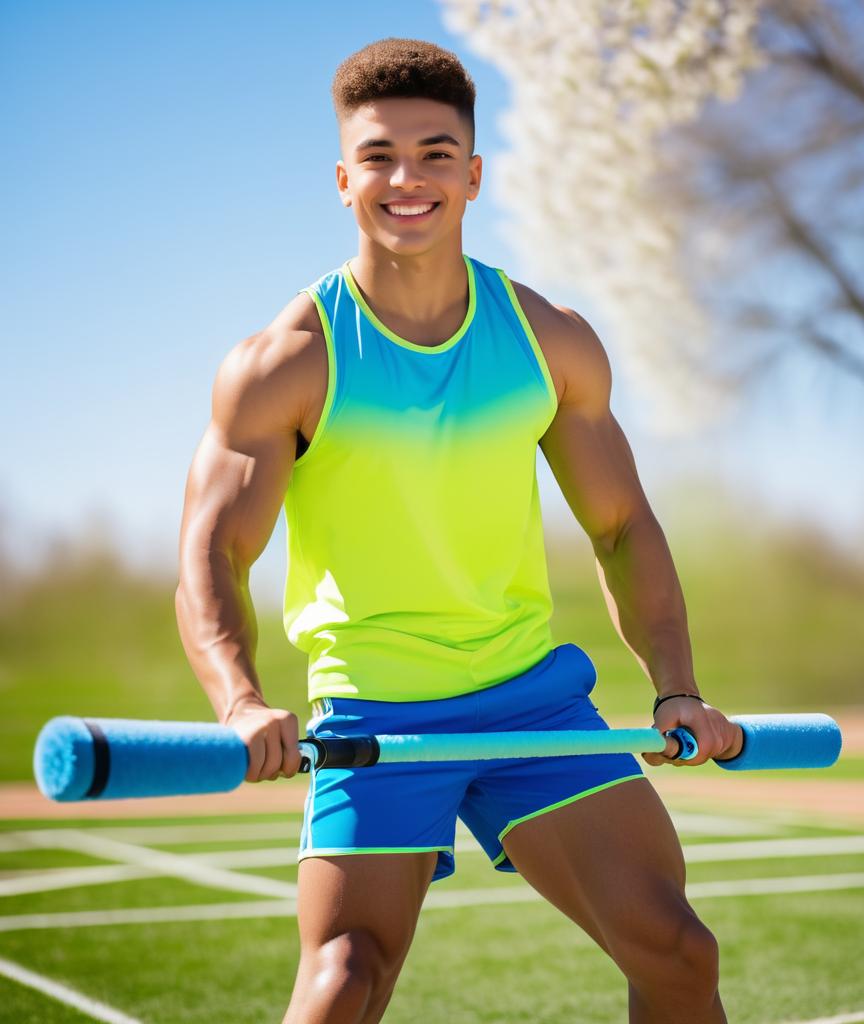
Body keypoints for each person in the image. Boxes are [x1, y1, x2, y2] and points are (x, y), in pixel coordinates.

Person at [175, 36, 740, 1024]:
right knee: (345, 979)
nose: (408, 178)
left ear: (473, 175)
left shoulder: (546, 340)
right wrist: (239, 700)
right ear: (343, 177)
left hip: (531, 703)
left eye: (437, 153)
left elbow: (621, 527)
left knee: (678, 951)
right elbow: (213, 553)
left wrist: (677, 686)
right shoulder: (285, 361)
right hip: (373, 716)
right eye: (381, 156)